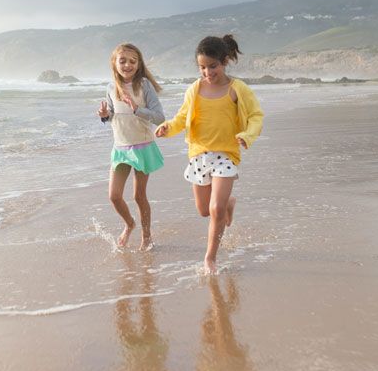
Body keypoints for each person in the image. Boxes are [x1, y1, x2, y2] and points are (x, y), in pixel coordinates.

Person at [155, 35, 263, 274]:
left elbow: (256, 116)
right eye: (202, 67)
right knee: (205, 210)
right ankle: (228, 204)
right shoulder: (195, 89)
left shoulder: (237, 89)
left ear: (225, 61)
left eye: (212, 66)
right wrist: (167, 128)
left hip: (226, 155)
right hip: (199, 155)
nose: (207, 72)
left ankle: (210, 258)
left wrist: (247, 135)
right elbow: (182, 118)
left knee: (215, 210)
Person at [97, 43, 166, 251]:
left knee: (138, 196)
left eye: (132, 61)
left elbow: (159, 117)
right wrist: (104, 116)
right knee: (114, 196)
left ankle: (147, 235)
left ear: (138, 64)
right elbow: (112, 115)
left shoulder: (144, 86)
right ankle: (130, 224)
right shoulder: (111, 88)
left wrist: (137, 109)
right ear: (114, 63)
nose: (127, 65)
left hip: (142, 147)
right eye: (122, 60)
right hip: (120, 148)